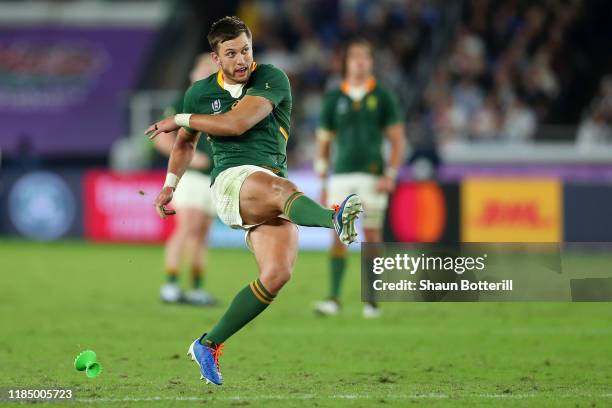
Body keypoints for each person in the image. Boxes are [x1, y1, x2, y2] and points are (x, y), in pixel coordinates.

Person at [145, 16, 362, 385]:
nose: (241, 59)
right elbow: (185, 143)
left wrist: (180, 118)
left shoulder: (271, 77)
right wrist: (170, 184)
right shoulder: (199, 93)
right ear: (216, 58)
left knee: (277, 274)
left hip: (266, 185)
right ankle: (334, 218)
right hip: (231, 182)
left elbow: (236, 124)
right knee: (282, 190)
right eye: (231, 53)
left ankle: (207, 343)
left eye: (245, 49)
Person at [312, 38, 406, 318]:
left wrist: (390, 173)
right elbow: (323, 141)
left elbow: (397, 139)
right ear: (347, 62)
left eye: (365, 56)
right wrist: (323, 178)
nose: (360, 61)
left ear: (371, 62)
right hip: (340, 176)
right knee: (338, 235)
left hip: (373, 176)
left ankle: (372, 300)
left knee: (373, 235)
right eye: (355, 57)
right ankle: (334, 298)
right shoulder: (334, 97)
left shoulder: (383, 96)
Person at [155, 54, 218, 306]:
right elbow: (161, 137)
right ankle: (170, 284)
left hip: (212, 178)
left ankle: (196, 288)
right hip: (189, 176)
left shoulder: (219, 103)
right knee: (187, 228)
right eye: (202, 71)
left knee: (202, 233)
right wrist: (189, 159)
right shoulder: (184, 100)